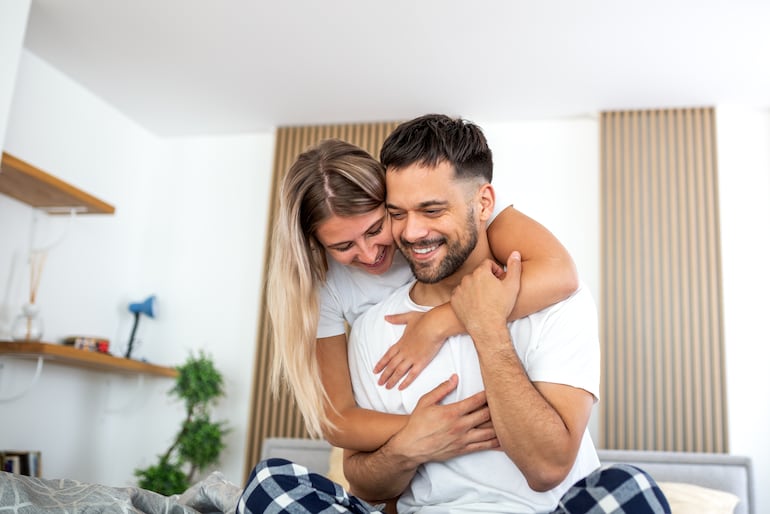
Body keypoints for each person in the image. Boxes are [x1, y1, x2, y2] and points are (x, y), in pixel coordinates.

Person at [240, 115, 670, 514]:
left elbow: (548, 467)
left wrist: (456, 321)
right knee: (269, 485)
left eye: (429, 211)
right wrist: (418, 438)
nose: (382, 248)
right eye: (399, 215)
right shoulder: (363, 320)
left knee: (629, 488)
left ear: (481, 205)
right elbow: (349, 444)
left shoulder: (543, 285)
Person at [267, 137, 579, 452]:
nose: (369, 253)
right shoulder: (328, 289)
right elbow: (337, 419)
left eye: (376, 229)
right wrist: (431, 429)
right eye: (343, 246)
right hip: (398, 417)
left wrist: (437, 323)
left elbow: (560, 274)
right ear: (318, 245)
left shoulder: (449, 219)